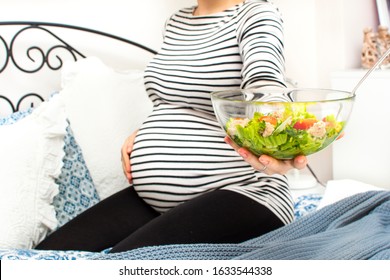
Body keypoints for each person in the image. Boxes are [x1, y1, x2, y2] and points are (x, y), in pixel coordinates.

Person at [35, 0, 307, 253]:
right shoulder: (176, 22)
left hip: (246, 192)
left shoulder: (257, 14)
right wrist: (148, 133)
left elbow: (266, 84)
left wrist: (282, 139)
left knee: (121, 265)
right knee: (46, 257)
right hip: (157, 202)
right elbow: (177, 97)